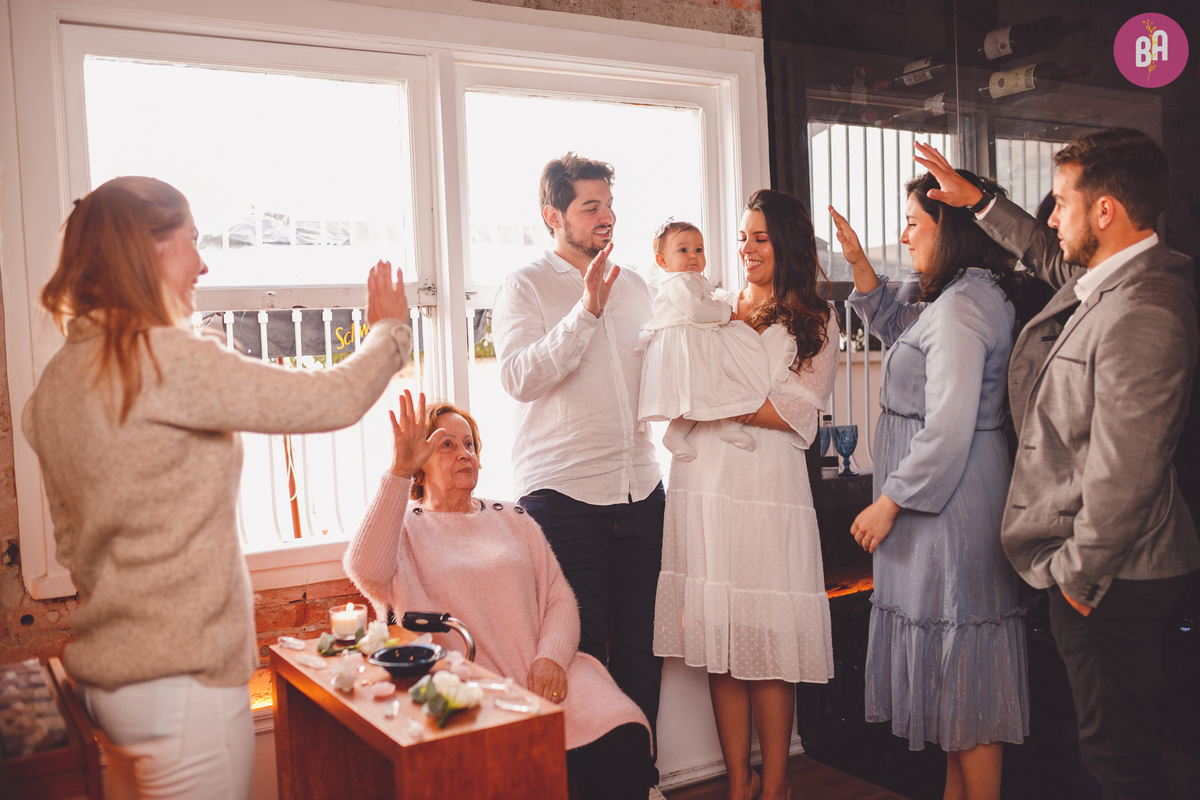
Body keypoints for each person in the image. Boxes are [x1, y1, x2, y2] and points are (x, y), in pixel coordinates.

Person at [22, 176, 412, 799]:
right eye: (192, 242)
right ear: (149, 250)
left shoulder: (60, 381)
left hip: (113, 684)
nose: (203, 263)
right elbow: (331, 400)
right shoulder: (165, 360)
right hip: (183, 685)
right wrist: (389, 331)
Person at [916, 130, 1200, 800]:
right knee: (1112, 752)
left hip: (1113, 579)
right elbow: (1049, 251)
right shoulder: (1113, 278)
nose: (1051, 217)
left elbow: (1126, 472)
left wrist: (1077, 580)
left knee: (1119, 762)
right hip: (1103, 574)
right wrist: (980, 201)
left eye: (1063, 202)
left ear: (1105, 212)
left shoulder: (1146, 308)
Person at [342, 392, 654, 800]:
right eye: (447, 445)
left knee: (624, 733)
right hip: (471, 685)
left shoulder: (514, 518)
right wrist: (398, 472)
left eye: (469, 443)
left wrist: (550, 658)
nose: (464, 453)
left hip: (549, 671)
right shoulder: (406, 530)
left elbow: (560, 598)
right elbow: (364, 569)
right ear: (420, 463)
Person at [835, 168, 1030, 800]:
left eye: (915, 223)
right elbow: (904, 334)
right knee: (955, 686)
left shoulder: (961, 311)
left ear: (950, 230)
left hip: (947, 507)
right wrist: (861, 264)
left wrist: (889, 502)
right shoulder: (960, 297)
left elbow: (947, 428)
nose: (905, 235)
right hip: (948, 501)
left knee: (964, 679)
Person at [653, 189, 840, 800]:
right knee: (721, 646)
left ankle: (777, 783)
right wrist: (704, 402)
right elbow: (678, 381)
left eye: (759, 237)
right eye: (741, 236)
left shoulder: (815, 317)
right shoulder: (714, 306)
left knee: (767, 643)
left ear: (784, 242)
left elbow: (795, 411)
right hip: (706, 485)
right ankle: (740, 782)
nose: (746, 248)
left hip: (766, 492)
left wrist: (711, 403)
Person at [491, 153, 665, 781]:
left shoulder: (638, 286)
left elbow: (658, 379)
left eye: (608, 205)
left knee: (645, 655)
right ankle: (586, 791)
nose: (606, 217)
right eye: (590, 207)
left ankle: (638, 783)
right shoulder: (524, 286)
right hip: (562, 498)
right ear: (552, 215)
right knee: (580, 658)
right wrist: (585, 310)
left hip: (642, 488)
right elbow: (517, 377)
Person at [638, 218, 770, 460]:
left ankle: (727, 424)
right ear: (662, 261)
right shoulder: (679, 281)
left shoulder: (689, 279)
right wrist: (725, 312)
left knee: (712, 385)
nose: (693, 256)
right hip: (685, 345)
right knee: (704, 387)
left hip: (693, 341)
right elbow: (697, 310)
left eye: (699, 249)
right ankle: (681, 433)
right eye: (683, 250)